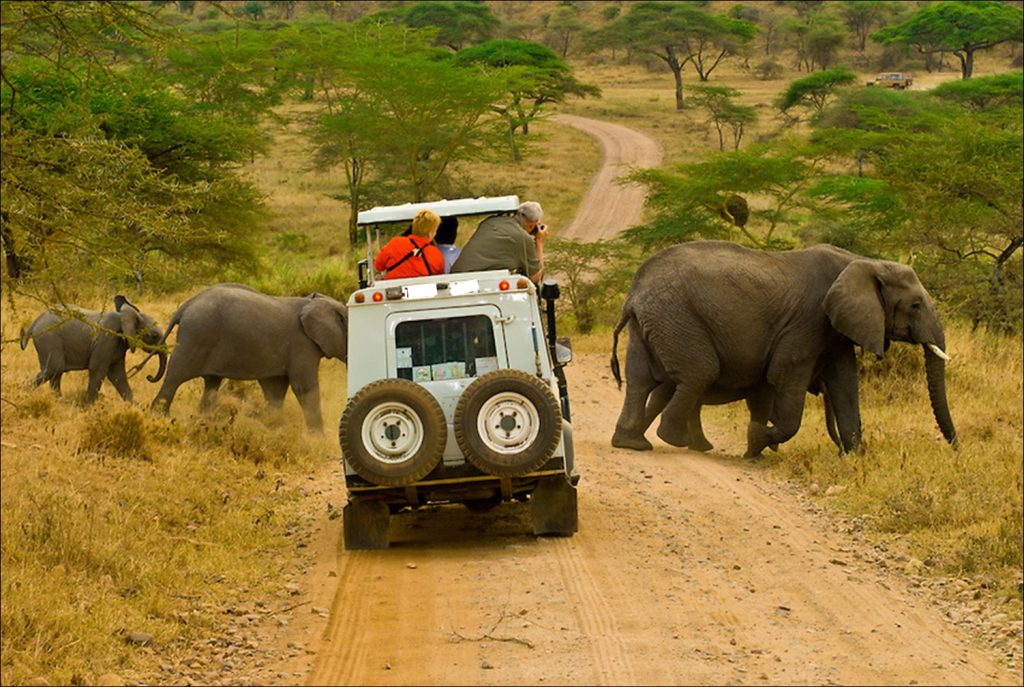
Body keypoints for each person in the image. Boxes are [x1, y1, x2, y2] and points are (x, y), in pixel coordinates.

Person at [450, 201, 547, 283]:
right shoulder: (522, 237)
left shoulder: (491, 221)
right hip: (472, 284)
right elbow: (535, 278)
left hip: (453, 280)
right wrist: (539, 241)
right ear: (532, 224)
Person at [374, 209, 444, 279]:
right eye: (435, 231)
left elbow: (378, 266)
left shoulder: (395, 243)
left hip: (394, 288)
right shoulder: (436, 254)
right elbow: (438, 277)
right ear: (430, 234)